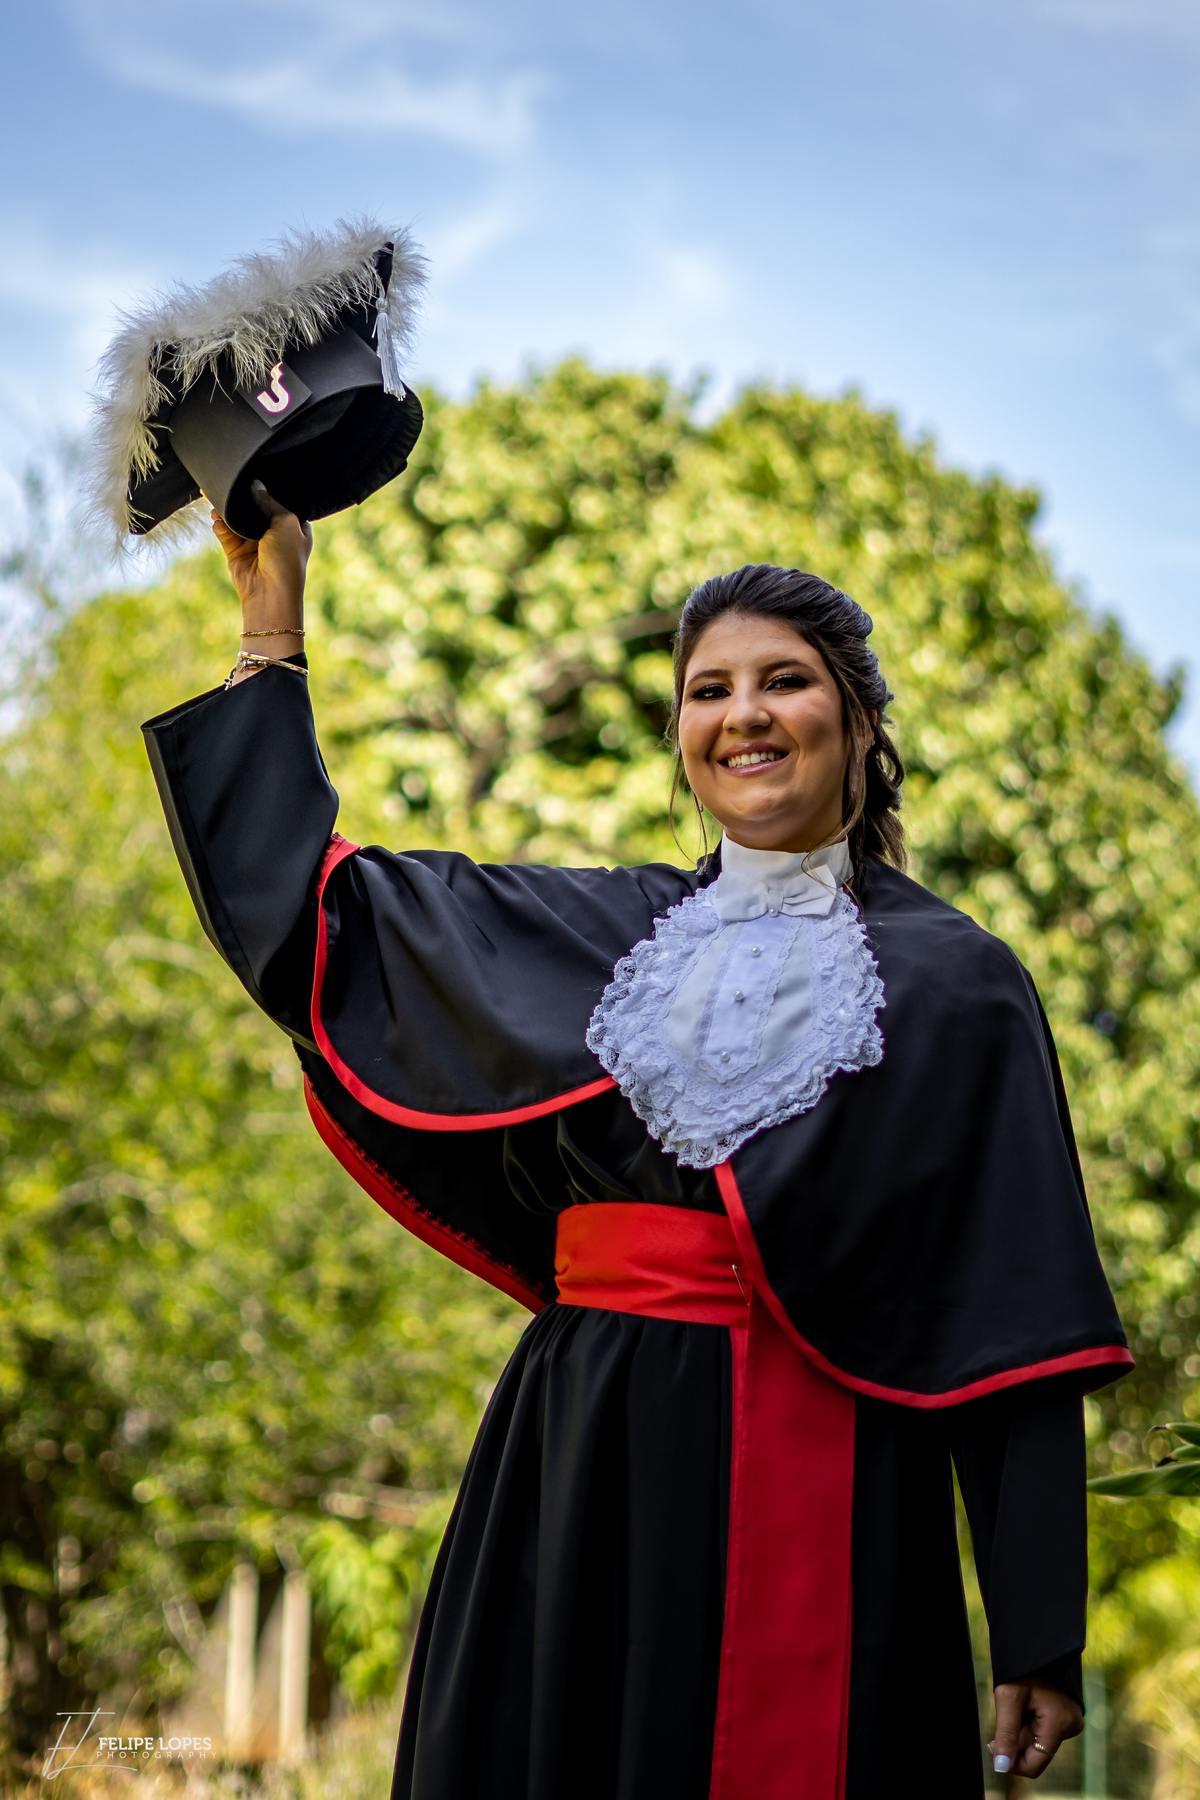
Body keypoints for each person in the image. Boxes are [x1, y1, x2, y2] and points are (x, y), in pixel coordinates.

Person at [143, 483, 1133, 1800]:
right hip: (586, 1452)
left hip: (840, 1485)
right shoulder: (597, 938)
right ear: (680, 733)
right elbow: (315, 920)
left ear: (857, 720)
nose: (743, 715)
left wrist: (1038, 1630)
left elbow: (1014, 1330)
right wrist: (273, 607)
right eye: (707, 691)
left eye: (782, 681)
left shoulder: (962, 983)